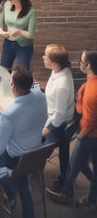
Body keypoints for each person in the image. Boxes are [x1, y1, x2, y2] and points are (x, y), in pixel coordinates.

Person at [0, 66, 47, 218]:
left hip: (15, 159)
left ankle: (10, 195)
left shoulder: (9, 115)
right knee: (24, 184)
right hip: (36, 152)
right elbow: (25, 116)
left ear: (13, 87)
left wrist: (1, 119)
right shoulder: (41, 95)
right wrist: (3, 116)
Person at [46, 49, 97, 210]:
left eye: (81, 62)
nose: (79, 64)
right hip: (90, 134)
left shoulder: (91, 91)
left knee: (74, 164)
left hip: (89, 135)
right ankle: (92, 195)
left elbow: (90, 121)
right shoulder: (91, 81)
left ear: (88, 65)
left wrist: (80, 137)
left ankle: (66, 192)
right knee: (85, 165)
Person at [41, 44, 75, 191]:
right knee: (64, 153)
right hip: (55, 119)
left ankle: (64, 184)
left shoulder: (62, 84)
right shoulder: (60, 70)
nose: (43, 57)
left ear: (54, 63)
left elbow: (59, 115)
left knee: (35, 146)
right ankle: (65, 177)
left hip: (58, 125)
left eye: (45, 56)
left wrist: (47, 129)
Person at [0, 0, 36, 72]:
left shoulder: (31, 11)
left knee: (23, 72)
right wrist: (1, 32)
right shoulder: (7, 5)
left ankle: (26, 86)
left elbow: (31, 34)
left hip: (24, 45)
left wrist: (19, 32)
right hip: (8, 43)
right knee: (4, 70)